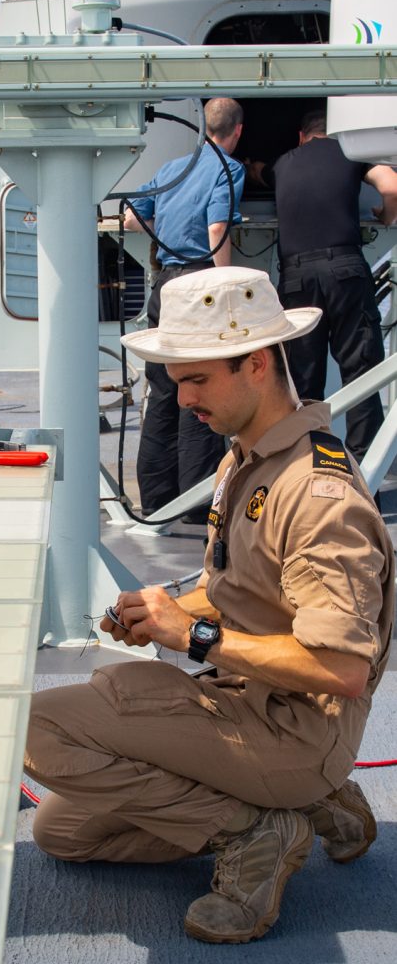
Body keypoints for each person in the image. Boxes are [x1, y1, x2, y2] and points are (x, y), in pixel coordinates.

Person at [24, 266, 393, 944]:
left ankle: (257, 826)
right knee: (63, 830)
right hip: (243, 700)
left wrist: (191, 636)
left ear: (256, 364)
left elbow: (341, 670)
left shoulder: (317, 499)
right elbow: (230, 591)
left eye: (196, 378)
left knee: (33, 728)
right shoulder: (247, 461)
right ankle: (303, 803)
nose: (180, 396)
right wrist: (158, 610)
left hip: (294, 727)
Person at [124, 98, 245, 519]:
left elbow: (131, 219)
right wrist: (225, 287)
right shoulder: (229, 170)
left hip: (166, 285)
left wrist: (166, 232)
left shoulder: (173, 168)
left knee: (163, 389)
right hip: (200, 285)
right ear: (238, 131)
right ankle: (195, 506)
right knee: (202, 392)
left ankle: (156, 500)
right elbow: (216, 229)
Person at [266, 109, 397, 463]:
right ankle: (363, 465)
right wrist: (386, 216)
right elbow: (392, 187)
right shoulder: (351, 154)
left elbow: (260, 175)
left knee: (302, 378)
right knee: (361, 370)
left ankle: (304, 462)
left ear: (301, 135)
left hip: (296, 278)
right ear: (337, 132)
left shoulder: (282, 163)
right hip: (345, 270)